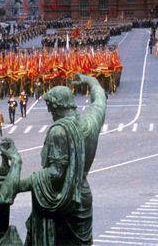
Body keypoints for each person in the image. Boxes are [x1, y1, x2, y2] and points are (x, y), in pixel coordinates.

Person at [16, 74, 106, 245]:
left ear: (56, 108)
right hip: (83, 194)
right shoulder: (91, 121)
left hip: (61, 199)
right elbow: (99, 99)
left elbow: (56, 173)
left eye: (51, 110)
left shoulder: (59, 131)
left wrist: (18, 185)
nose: (51, 115)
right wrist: (91, 81)